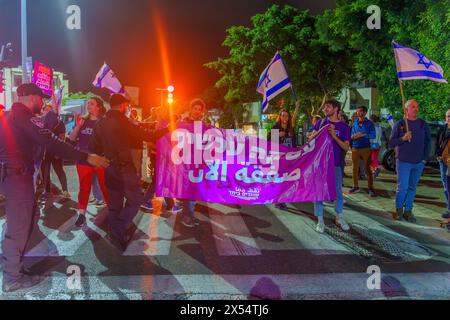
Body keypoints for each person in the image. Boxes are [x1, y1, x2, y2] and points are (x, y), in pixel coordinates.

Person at [0, 83, 109, 292]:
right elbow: (51, 142)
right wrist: (86, 157)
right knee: (18, 228)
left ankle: (15, 266)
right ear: (32, 98)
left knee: (25, 221)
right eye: (42, 99)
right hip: (17, 179)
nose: (43, 103)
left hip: (10, 177)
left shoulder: (6, 117)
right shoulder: (23, 116)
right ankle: (12, 278)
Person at [89, 94, 168, 250]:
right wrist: (167, 129)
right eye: (126, 105)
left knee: (114, 203)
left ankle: (115, 231)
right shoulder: (123, 121)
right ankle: (119, 227)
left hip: (109, 167)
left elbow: (94, 148)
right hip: (125, 168)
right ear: (123, 106)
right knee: (136, 199)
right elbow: (147, 135)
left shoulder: (100, 123)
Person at [309, 100, 351, 233]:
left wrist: (334, 136)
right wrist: (320, 131)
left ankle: (339, 217)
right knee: (319, 192)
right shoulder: (321, 122)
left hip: (336, 164)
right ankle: (320, 220)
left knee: (338, 192)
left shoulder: (344, 127)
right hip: (320, 164)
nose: (325, 109)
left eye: (328, 107)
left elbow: (345, 146)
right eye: (324, 107)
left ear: (336, 108)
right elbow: (310, 139)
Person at [68, 97, 110, 227]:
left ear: (99, 107)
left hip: (99, 159)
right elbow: (72, 137)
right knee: (84, 187)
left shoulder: (104, 122)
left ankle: (111, 211)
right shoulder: (83, 121)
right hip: (83, 159)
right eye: (88, 104)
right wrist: (79, 126)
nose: (88, 106)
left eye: (91, 104)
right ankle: (81, 214)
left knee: (105, 186)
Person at [389, 99, 431, 222]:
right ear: (406, 109)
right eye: (413, 107)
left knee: (412, 188)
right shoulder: (400, 124)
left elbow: (428, 143)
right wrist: (403, 138)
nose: (416, 109)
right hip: (403, 162)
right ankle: (398, 210)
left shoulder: (423, 124)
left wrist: (424, 159)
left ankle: (408, 211)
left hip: (418, 163)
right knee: (403, 187)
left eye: (417, 107)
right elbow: (391, 142)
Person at [141, 107, 181, 213]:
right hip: (163, 157)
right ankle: (147, 201)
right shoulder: (164, 124)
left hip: (162, 156)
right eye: (162, 112)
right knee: (159, 180)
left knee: (161, 179)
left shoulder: (160, 123)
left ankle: (170, 204)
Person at [177, 99, 209, 227]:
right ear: (190, 109)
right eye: (194, 108)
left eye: (199, 109)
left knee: (195, 189)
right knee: (188, 189)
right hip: (186, 160)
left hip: (198, 160)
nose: (197, 111)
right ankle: (187, 216)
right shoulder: (184, 123)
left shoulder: (203, 124)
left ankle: (190, 214)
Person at [269, 100, 300, 210]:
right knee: (280, 179)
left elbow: (295, 117)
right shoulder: (275, 127)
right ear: (280, 116)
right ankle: (278, 200)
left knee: (287, 179)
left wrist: (297, 107)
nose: (285, 118)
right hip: (279, 158)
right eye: (283, 116)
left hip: (290, 157)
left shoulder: (291, 127)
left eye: (287, 116)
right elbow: (269, 142)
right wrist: (277, 134)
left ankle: (284, 198)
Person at [40, 105, 70, 199]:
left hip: (56, 150)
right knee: (46, 172)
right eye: (46, 110)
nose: (47, 112)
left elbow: (62, 137)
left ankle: (65, 191)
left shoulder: (59, 123)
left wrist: (59, 151)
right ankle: (47, 191)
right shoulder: (40, 122)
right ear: (43, 111)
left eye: (49, 110)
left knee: (59, 170)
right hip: (45, 151)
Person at [349, 106, 376, 196]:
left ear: (364, 112)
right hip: (355, 147)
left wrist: (363, 135)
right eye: (357, 111)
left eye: (360, 111)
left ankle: (370, 188)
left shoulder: (369, 123)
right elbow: (351, 135)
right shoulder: (355, 123)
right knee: (354, 169)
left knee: (367, 169)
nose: (358, 113)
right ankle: (355, 186)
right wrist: (353, 136)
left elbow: (373, 135)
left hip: (366, 148)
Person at [435, 109, 450, 219]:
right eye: (447, 116)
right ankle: (449, 210)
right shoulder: (443, 128)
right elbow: (437, 143)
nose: (449, 118)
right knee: (445, 186)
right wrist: (437, 155)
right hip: (443, 161)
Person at [370, 114, 382, 178]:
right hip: (378, 144)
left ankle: (376, 169)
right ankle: (375, 169)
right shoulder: (379, 126)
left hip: (374, 144)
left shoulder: (373, 126)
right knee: (374, 157)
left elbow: (373, 136)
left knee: (373, 158)